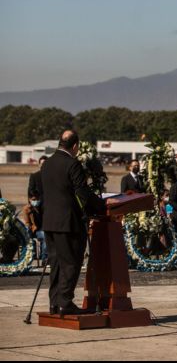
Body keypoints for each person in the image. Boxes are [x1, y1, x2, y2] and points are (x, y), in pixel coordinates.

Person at [41, 130, 106, 316]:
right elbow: (82, 193)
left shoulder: (47, 164)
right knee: (70, 263)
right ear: (75, 145)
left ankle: (54, 303)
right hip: (68, 223)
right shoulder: (72, 164)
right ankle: (66, 303)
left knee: (56, 264)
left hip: (50, 223)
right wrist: (100, 205)